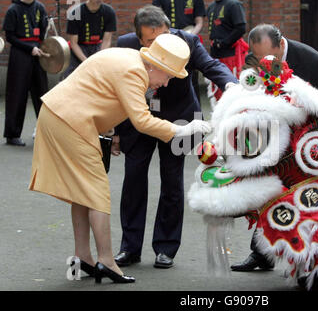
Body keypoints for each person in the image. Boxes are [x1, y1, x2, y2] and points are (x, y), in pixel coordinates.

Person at [29, 33, 212, 284]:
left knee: (82, 192)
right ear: (156, 66)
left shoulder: (129, 60)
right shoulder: (134, 72)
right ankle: (106, 262)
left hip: (62, 116)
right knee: (97, 192)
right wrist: (181, 130)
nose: (167, 83)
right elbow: (142, 120)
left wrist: (111, 132)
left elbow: (99, 93)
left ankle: (83, 257)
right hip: (70, 122)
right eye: (168, 75)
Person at [113, 5, 237, 269]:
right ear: (138, 38)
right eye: (150, 41)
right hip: (140, 118)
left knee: (172, 182)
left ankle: (166, 248)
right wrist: (114, 130)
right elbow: (115, 87)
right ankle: (129, 248)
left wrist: (233, 86)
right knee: (133, 179)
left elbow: (211, 66)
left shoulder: (187, 41)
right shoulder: (125, 45)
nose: (161, 47)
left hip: (180, 117)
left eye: (164, 37)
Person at [230, 23, 318, 272]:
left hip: (307, 142)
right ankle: (262, 254)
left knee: (308, 199)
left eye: (271, 56)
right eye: (258, 57)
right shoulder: (253, 59)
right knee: (267, 192)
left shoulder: (311, 60)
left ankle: (311, 255)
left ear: (281, 45)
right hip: (271, 138)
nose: (265, 61)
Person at [2, 0, 49, 147]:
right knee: (17, 94)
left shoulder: (40, 8)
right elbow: (10, 37)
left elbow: (43, 31)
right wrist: (29, 48)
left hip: (38, 53)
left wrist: (40, 47)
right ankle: (12, 134)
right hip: (20, 55)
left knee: (42, 94)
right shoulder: (13, 10)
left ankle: (46, 131)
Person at [152, 0, 206, 99]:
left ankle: (196, 113)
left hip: (187, 41)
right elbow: (155, 20)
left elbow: (199, 22)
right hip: (166, 42)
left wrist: (189, 36)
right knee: (162, 80)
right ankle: (157, 112)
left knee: (192, 79)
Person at [205, 0, 247, 103]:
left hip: (230, 55)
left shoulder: (233, 4)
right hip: (216, 55)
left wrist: (224, 43)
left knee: (231, 88)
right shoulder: (211, 7)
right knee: (217, 90)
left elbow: (241, 28)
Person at [64, 0, 117, 77]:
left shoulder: (109, 12)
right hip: (79, 48)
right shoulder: (75, 12)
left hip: (98, 48)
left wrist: (98, 58)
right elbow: (73, 43)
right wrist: (87, 61)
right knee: (72, 77)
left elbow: (106, 41)